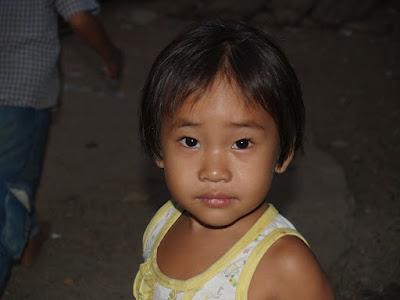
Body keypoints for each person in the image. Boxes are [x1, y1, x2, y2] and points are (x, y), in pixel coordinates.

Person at [134, 20, 334, 299]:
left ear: (283, 153)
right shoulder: (163, 223)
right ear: (158, 149)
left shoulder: (286, 265)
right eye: (190, 142)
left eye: (242, 143)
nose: (214, 172)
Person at [0, 0, 122, 294]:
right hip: (22, 91)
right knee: (11, 190)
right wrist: (111, 55)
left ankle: (29, 238)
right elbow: (79, 18)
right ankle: (17, 242)